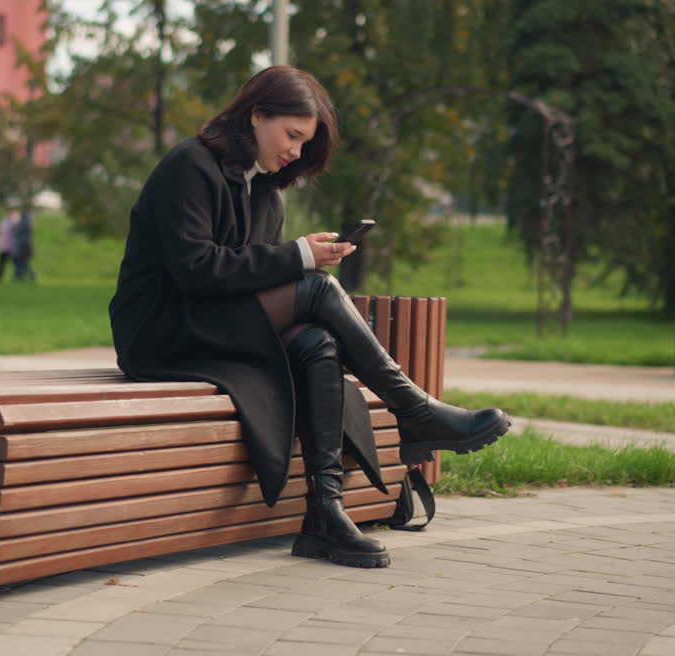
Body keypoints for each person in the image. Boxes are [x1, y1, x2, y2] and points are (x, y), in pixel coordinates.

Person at [109, 65, 510, 570]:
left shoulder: (265, 191)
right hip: (160, 330)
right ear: (256, 116)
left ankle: (325, 512)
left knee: (317, 343)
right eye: (291, 135)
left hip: (215, 326)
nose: (295, 152)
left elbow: (245, 282)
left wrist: (295, 257)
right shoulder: (189, 166)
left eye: (304, 142)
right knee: (317, 289)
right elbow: (197, 271)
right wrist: (297, 256)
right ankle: (412, 408)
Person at [11, 209, 35, 283]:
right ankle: (19, 278)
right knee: (22, 264)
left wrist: (14, 224)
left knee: (22, 264)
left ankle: (17, 278)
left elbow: (15, 232)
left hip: (22, 248)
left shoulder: (23, 224)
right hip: (25, 247)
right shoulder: (28, 225)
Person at [0, 207, 17, 281]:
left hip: (12, 247)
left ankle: (16, 279)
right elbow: (0, 235)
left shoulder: (14, 222)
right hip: (4, 247)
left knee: (16, 265)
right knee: (1, 265)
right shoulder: (3, 222)